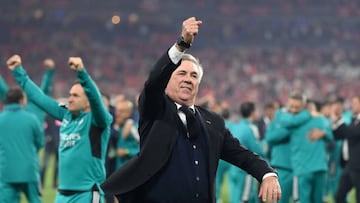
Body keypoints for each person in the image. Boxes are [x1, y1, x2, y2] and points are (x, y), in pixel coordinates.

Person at [101, 17, 281, 203]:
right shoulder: (155, 109)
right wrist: (182, 45)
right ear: (167, 80)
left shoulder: (213, 121)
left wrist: (267, 174)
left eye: (194, 75)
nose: (188, 79)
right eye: (181, 73)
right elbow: (153, 82)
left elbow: (241, 154)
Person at [6, 54, 113, 203]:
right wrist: (18, 71)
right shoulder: (66, 116)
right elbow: (39, 98)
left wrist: (82, 73)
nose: (70, 99)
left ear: (88, 102)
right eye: (70, 95)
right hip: (62, 195)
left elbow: (95, 98)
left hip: (86, 195)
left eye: (75, 96)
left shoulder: (98, 121)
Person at [0, 87, 44, 203]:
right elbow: (40, 142)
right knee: (35, 200)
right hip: (29, 170)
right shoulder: (31, 119)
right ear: (21, 100)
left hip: (7, 171)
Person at [228, 102, 266, 203]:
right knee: (244, 198)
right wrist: (264, 147)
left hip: (233, 169)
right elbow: (256, 149)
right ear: (252, 112)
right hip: (244, 171)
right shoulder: (250, 128)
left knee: (235, 197)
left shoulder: (236, 126)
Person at [332, 95, 360, 203]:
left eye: (355, 103)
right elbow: (339, 135)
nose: (351, 106)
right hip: (350, 165)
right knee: (339, 195)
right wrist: (336, 121)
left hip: (358, 167)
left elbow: (351, 133)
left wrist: (339, 120)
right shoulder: (354, 120)